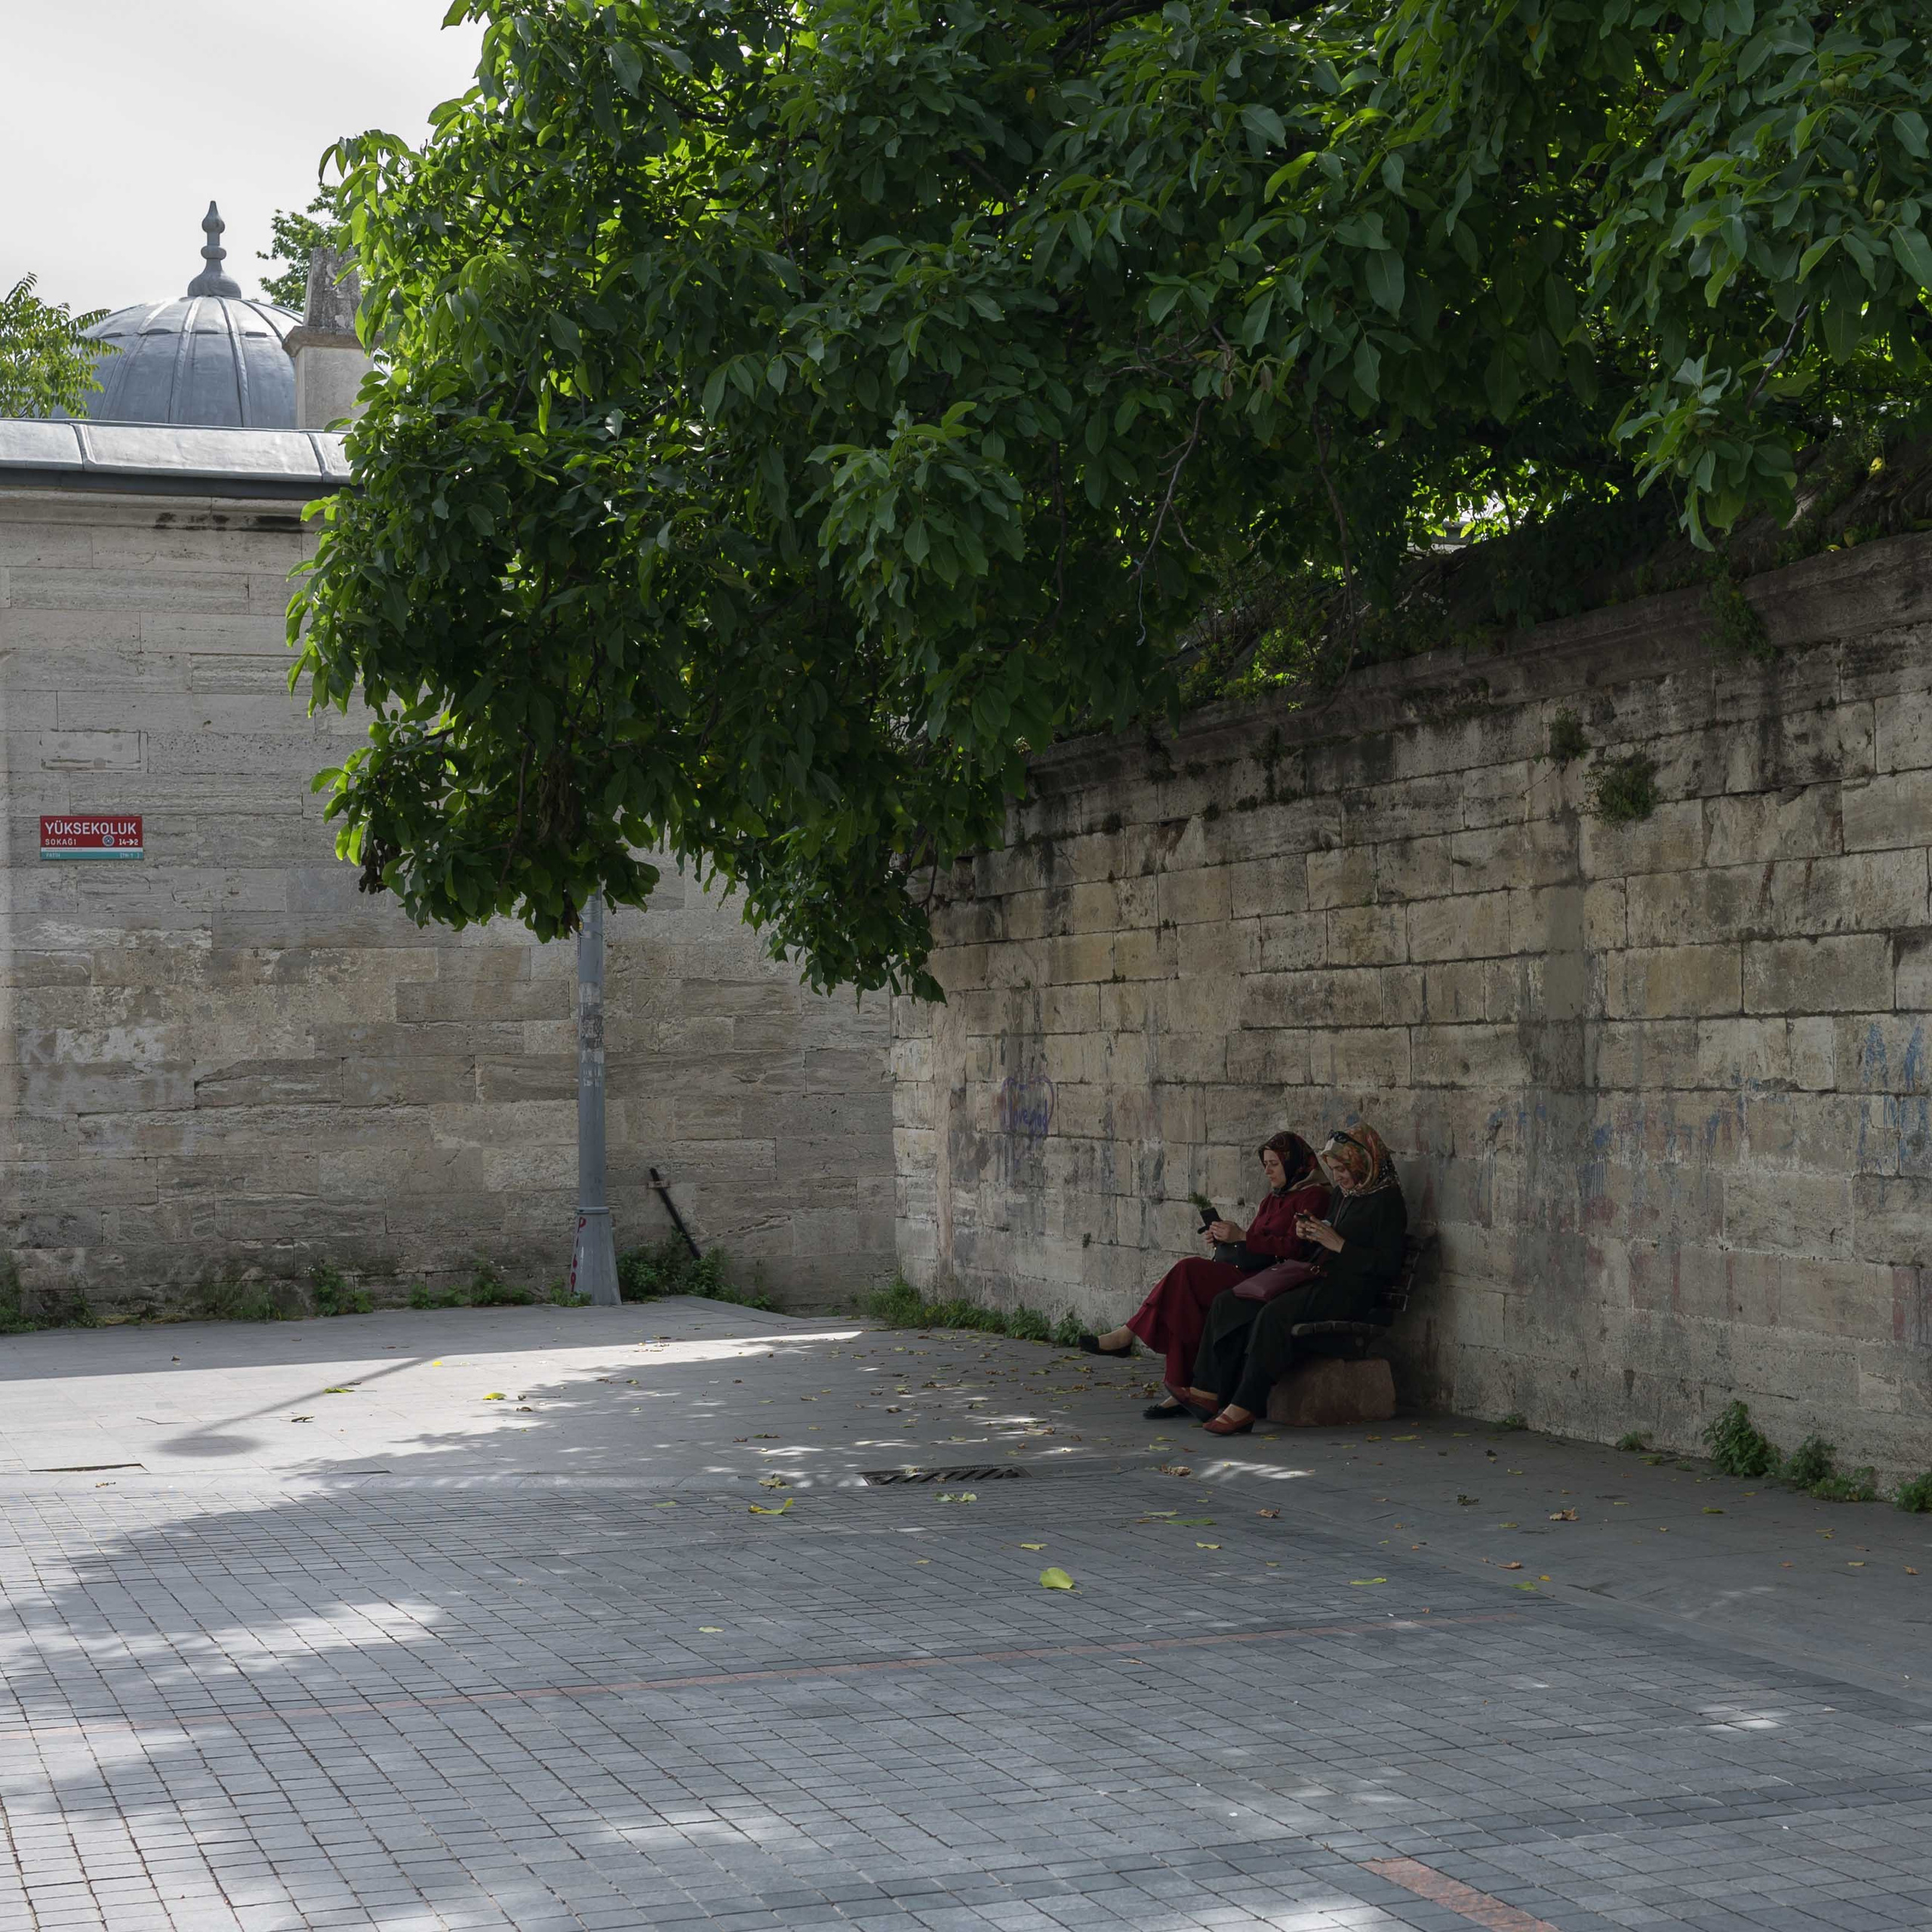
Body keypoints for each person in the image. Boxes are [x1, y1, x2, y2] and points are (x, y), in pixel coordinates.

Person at [1078, 1132, 1330, 1420]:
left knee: (1186, 1272)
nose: (1268, 1170)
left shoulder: (1314, 1196)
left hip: (1271, 1280)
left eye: (1274, 1163)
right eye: (1265, 1164)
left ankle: (1132, 1336)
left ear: (1293, 1162)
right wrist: (1226, 1238)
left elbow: (1296, 1249)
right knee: (1182, 1300)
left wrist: (1243, 1236)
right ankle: (1181, 1389)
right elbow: (1255, 1241)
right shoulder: (1272, 1199)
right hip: (1247, 1270)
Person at [1187, 1123, 1407, 1435]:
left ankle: (1245, 1405)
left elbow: (1387, 1264)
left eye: (1344, 1169)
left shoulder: (1387, 1202)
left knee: (1275, 1314)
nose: (1339, 1177)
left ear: (1363, 1162)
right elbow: (1329, 1228)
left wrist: (1338, 1244)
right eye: (1335, 1169)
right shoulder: (1347, 1194)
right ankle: (1207, 1392)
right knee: (1231, 1302)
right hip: (1318, 1275)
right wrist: (1310, 1231)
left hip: (1353, 1289)